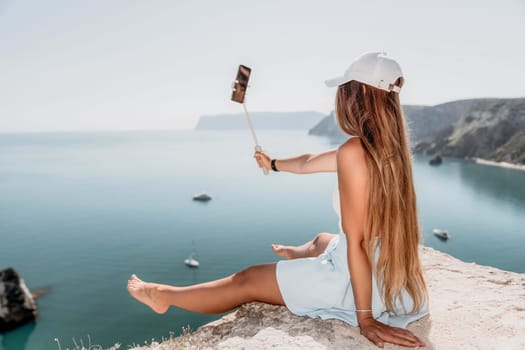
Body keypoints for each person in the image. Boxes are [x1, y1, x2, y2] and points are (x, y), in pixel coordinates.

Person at [127, 51, 429, 348]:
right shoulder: (391, 149)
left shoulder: (353, 152)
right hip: (391, 276)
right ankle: (298, 253)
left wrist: (366, 320)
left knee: (247, 280)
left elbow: (359, 243)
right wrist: (272, 163)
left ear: (360, 91)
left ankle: (164, 296)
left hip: (358, 287)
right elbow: (310, 161)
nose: (340, 97)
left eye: (344, 89)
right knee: (323, 240)